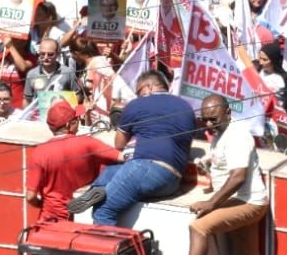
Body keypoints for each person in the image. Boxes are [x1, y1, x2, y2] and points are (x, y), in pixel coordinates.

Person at [161, 95, 268, 255]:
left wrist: (211, 203)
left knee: (198, 228)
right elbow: (224, 164)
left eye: (213, 120)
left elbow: (238, 177)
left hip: (247, 202)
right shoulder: (221, 135)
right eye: (205, 120)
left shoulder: (238, 134)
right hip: (238, 201)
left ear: (228, 113)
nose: (208, 125)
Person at [71, 71, 196, 224]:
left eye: (139, 91)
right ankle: (98, 190)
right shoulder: (186, 107)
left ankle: (113, 245)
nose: (138, 95)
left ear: (149, 87)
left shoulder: (137, 104)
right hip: (174, 180)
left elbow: (119, 144)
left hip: (146, 168)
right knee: (112, 171)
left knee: (104, 210)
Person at [26, 101, 127, 223]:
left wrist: (41, 205)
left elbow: (30, 196)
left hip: (49, 216)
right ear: (69, 124)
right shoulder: (87, 143)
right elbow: (123, 157)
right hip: (77, 214)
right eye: (77, 119)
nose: (79, 121)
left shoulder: (39, 152)